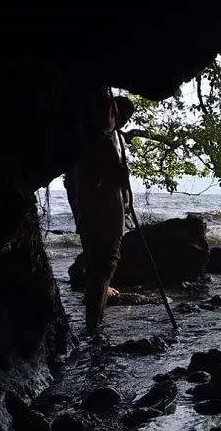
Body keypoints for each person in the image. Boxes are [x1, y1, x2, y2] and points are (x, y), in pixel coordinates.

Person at [65, 92, 135, 332]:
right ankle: (93, 325)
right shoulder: (100, 140)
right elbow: (113, 177)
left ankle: (95, 312)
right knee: (103, 266)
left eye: (127, 116)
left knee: (100, 266)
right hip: (104, 215)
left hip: (100, 213)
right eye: (121, 114)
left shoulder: (101, 138)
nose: (123, 119)